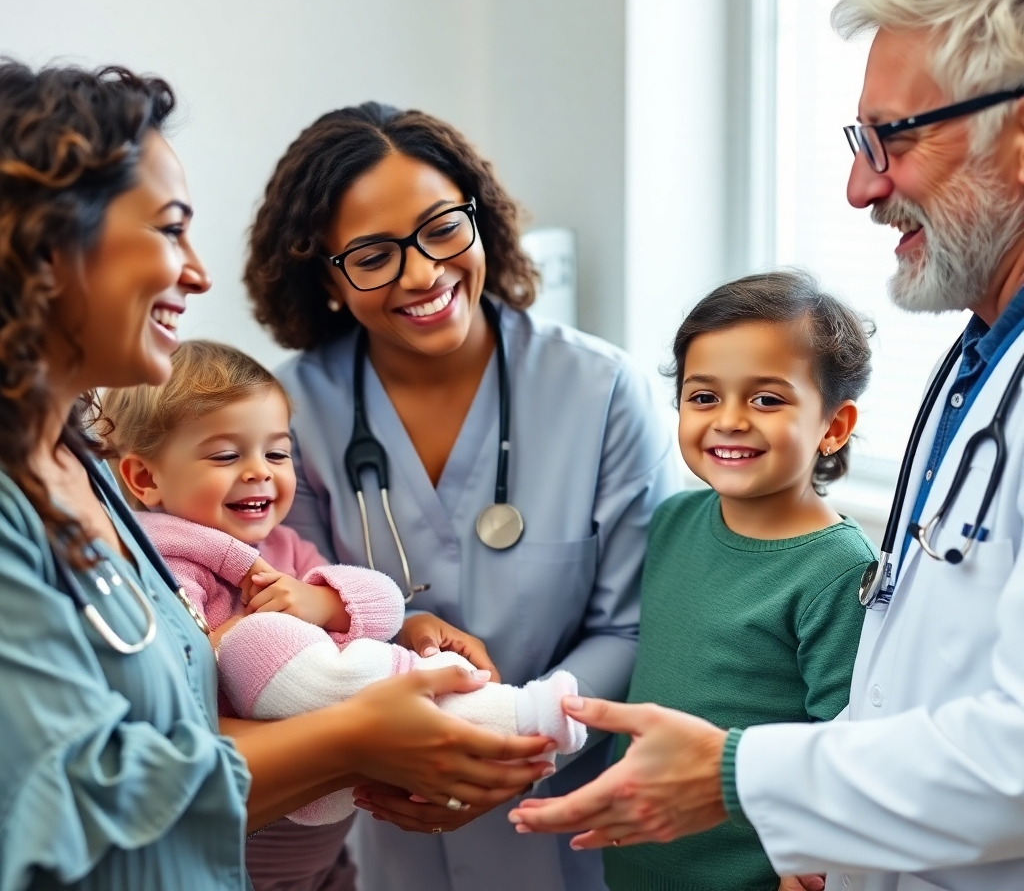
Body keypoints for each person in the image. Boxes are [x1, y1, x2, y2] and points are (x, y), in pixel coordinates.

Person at [509, 0, 1024, 891]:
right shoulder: (983, 362)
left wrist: (740, 778)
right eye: (856, 143)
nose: (859, 187)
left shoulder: (826, 560)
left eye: (893, 138)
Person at [0, 61, 555, 891]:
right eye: (169, 229)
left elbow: (186, 718)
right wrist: (353, 738)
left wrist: (379, 683)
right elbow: (75, 796)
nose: (197, 272)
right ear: (45, 248)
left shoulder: (82, 467)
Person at [243, 102, 681, 891]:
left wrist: (525, 739)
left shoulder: (601, 389)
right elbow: (292, 611)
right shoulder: (288, 412)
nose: (422, 272)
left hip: (568, 822)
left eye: (442, 227)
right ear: (329, 279)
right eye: (373, 255)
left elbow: (633, 624)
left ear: (480, 220)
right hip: (386, 819)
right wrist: (396, 646)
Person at [101, 338, 585, 883]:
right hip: (231, 855)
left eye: (277, 452)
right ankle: (512, 719)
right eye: (225, 455)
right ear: (145, 479)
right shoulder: (156, 565)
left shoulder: (284, 551)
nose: (260, 472)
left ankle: (491, 720)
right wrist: (228, 640)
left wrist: (327, 602)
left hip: (325, 858)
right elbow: (176, 680)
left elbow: (381, 607)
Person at [602, 271, 874, 891]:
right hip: (638, 866)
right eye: (703, 397)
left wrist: (812, 862)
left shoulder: (839, 571)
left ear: (833, 426)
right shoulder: (672, 522)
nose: (728, 420)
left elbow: (846, 750)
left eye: (767, 399)